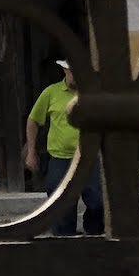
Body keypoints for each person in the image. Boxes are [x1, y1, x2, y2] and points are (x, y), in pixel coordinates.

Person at [25, 59, 104, 236]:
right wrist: (31, 151)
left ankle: (94, 236)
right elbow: (33, 120)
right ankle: (64, 241)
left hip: (89, 158)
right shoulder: (51, 93)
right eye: (72, 71)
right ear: (64, 70)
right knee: (61, 206)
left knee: (98, 202)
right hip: (60, 159)